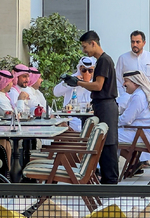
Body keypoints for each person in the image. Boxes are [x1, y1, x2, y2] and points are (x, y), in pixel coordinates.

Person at [63, 31, 119, 184]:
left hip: (106, 105)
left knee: (107, 143)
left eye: (85, 46)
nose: (84, 50)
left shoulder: (103, 61)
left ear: (93, 43)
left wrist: (77, 82)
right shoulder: (103, 60)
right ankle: (108, 181)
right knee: (102, 143)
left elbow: (98, 86)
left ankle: (111, 183)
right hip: (103, 105)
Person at [118, 70, 150, 171]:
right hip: (144, 132)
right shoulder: (142, 93)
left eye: (126, 81)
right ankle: (133, 162)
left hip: (142, 133)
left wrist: (112, 121)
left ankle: (103, 170)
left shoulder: (138, 96)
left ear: (135, 82)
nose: (124, 84)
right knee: (111, 135)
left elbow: (126, 120)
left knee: (107, 137)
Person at [116, 30, 150, 113]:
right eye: (132, 42)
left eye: (138, 42)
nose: (135, 45)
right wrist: (124, 97)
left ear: (144, 43)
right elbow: (118, 81)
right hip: (129, 102)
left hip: (149, 102)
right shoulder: (123, 58)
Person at [54, 57, 95, 131]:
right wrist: (71, 83)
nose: (87, 73)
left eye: (90, 71)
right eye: (84, 70)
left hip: (90, 118)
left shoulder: (96, 83)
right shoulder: (73, 78)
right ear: (79, 69)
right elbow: (56, 92)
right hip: (73, 118)